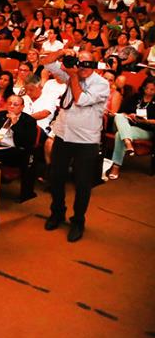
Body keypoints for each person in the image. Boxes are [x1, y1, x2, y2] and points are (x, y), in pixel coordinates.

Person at [42, 49, 109, 242]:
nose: (84, 68)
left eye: (89, 64)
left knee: (82, 184)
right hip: (63, 135)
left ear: (95, 66)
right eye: (81, 63)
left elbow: (80, 100)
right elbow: (46, 62)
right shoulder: (72, 73)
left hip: (86, 141)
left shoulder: (101, 84)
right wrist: (63, 52)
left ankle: (78, 221)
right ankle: (57, 212)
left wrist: (73, 76)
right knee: (56, 177)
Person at [0, 95, 39, 202]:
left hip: (16, 151)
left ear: (22, 107)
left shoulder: (29, 121)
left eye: (15, 104)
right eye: (9, 103)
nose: (11, 106)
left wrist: (15, 124)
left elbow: (28, 142)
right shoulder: (1, 115)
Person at [105, 78, 155, 180]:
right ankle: (128, 142)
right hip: (128, 125)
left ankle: (116, 167)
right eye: (147, 88)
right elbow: (121, 112)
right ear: (143, 87)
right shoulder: (135, 97)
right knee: (119, 116)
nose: (148, 91)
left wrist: (146, 121)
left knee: (120, 135)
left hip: (146, 129)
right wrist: (129, 116)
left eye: (152, 89)